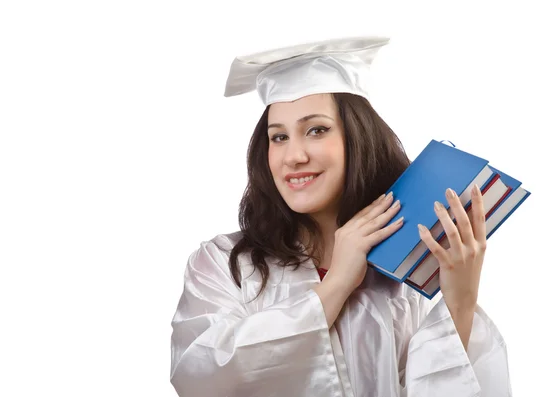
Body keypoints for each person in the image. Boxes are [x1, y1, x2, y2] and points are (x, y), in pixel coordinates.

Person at [169, 36, 512, 397]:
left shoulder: (398, 277)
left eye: (316, 130)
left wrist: (460, 302)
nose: (294, 155)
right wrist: (336, 284)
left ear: (357, 138)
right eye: (279, 137)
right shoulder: (224, 265)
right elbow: (202, 377)